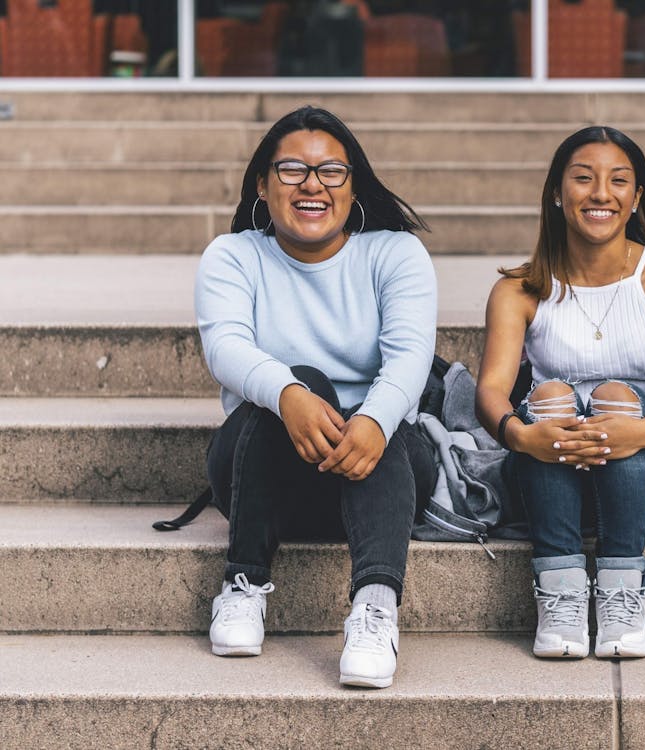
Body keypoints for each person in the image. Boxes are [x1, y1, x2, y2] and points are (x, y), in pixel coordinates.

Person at [195, 105, 437, 688]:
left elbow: (409, 359)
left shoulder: (394, 254)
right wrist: (288, 394)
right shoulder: (233, 256)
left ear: (353, 185)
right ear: (262, 182)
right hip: (265, 477)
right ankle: (243, 584)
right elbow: (225, 347)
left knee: (374, 415)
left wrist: (374, 422)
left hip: (382, 470)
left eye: (331, 171)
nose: (312, 185)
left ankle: (376, 609)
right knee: (304, 378)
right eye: (292, 170)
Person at [475, 126, 645, 659]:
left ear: (636, 197)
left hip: (644, 479)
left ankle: (624, 591)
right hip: (545, 475)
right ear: (558, 192)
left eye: (618, 181)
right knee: (550, 393)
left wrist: (638, 432)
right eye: (583, 178)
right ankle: (560, 594)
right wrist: (522, 435)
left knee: (618, 398)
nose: (601, 193)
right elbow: (490, 389)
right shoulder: (520, 288)